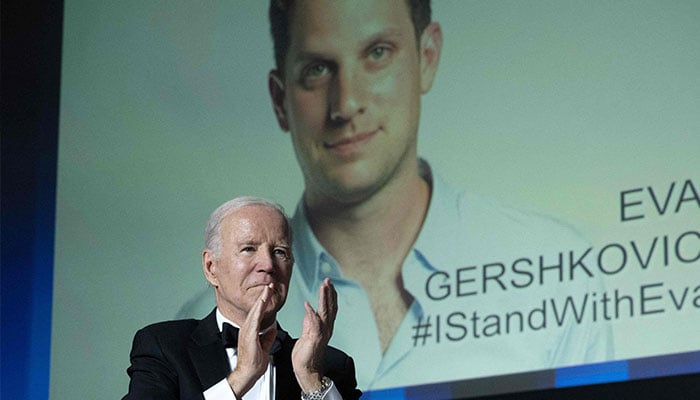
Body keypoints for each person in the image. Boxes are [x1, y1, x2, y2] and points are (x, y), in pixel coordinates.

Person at [180, 0, 613, 391]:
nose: (346, 104)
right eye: (317, 68)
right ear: (280, 99)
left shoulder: (562, 269)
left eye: (377, 53)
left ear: (427, 58)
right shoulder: (192, 326)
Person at [124, 197, 361, 399]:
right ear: (210, 267)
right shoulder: (164, 346)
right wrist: (240, 378)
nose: (268, 265)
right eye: (248, 249)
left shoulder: (330, 366)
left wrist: (311, 378)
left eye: (280, 252)